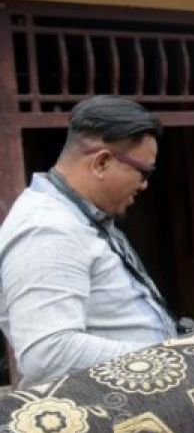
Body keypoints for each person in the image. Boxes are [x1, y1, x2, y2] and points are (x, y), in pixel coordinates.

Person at [0, 96, 179, 386]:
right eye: (143, 172)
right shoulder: (48, 229)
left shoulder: (82, 215)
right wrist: (172, 358)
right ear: (102, 162)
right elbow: (48, 353)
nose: (145, 184)